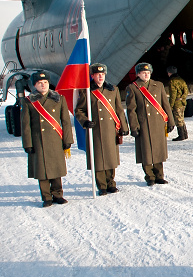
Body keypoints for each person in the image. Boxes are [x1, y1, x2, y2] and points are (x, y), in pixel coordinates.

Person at [21, 70, 74, 207]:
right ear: (34, 85)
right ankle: (46, 197)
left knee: (56, 169)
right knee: (42, 171)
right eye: (40, 83)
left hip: (55, 139)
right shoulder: (29, 102)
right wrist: (28, 143)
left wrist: (67, 139)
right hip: (39, 141)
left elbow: (66, 121)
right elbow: (25, 125)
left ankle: (58, 195)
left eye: (45, 82)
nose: (43, 85)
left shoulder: (59, 99)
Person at [74, 62, 128, 195]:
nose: (101, 77)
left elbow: (119, 110)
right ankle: (101, 185)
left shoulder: (112, 89)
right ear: (92, 76)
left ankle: (111, 183)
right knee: (98, 159)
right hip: (95, 130)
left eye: (103, 74)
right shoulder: (87, 91)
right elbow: (79, 110)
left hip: (110, 129)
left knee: (110, 158)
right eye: (98, 75)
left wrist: (124, 126)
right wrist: (85, 121)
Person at [125, 62, 174, 185]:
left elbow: (165, 104)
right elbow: (131, 110)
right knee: (146, 152)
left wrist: (171, 121)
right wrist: (134, 127)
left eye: (148, 73)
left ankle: (159, 175)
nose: (146, 75)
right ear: (138, 74)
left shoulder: (158, 85)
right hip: (143, 124)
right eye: (143, 73)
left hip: (158, 123)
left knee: (158, 151)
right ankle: (150, 177)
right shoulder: (132, 88)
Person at [167, 65, 189, 141]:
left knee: (178, 119)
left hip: (176, 103)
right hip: (182, 102)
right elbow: (186, 91)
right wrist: (183, 99)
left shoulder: (172, 81)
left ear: (170, 73)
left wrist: (170, 106)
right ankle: (185, 134)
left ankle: (181, 135)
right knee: (181, 119)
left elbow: (173, 94)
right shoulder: (181, 80)